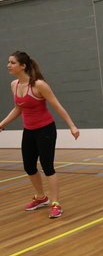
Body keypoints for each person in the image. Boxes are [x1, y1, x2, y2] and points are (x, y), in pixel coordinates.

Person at [0, 51, 79, 219]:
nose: (8, 65)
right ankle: (41, 197)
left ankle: (56, 203)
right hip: (29, 131)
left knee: (47, 166)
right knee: (29, 166)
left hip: (45, 130)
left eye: (12, 63)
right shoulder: (14, 85)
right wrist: (2, 124)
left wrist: (72, 126)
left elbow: (57, 106)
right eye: (8, 62)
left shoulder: (39, 85)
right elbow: (18, 108)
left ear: (23, 66)